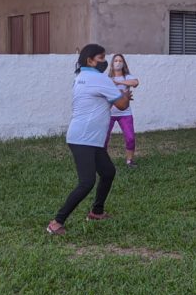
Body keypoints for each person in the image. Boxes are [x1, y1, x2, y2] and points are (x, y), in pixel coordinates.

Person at [48, 44, 131, 235]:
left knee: (108, 172)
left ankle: (96, 212)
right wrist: (125, 95)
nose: (105, 61)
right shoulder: (100, 79)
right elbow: (122, 105)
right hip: (85, 138)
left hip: (86, 137)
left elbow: (98, 106)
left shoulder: (80, 78)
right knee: (86, 182)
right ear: (90, 60)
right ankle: (56, 222)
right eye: (101, 58)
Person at [105, 53, 140, 168]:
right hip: (109, 113)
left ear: (123, 63)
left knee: (130, 138)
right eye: (116, 61)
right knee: (104, 138)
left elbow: (135, 83)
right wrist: (121, 93)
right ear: (112, 63)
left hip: (125, 113)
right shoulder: (107, 78)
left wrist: (118, 82)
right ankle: (103, 161)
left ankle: (129, 161)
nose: (118, 63)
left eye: (120, 61)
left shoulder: (127, 77)